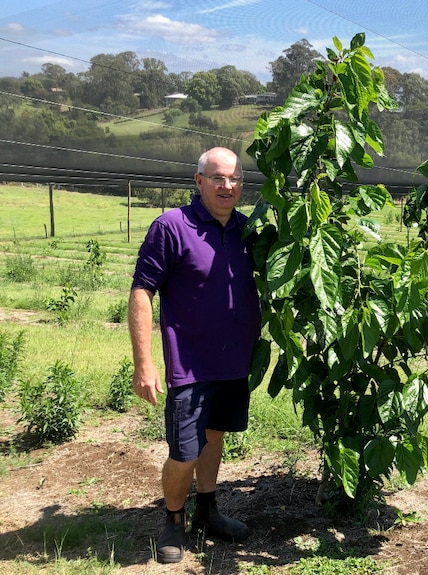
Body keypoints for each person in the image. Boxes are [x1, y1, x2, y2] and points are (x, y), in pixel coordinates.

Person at [128, 147, 261, 564]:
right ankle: (173, 520)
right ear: (199, 180)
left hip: (234, 362)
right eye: (218, 177)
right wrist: (143, 363)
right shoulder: (172, 226)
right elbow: (141, 292)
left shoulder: (246, 230)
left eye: (235, 178)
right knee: (184, 450)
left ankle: (207, 510)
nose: (227, 186)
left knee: (214, 438)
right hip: (190, 364)